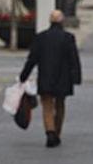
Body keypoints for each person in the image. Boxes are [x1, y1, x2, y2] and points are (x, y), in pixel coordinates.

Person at [19, 10, 82, 148]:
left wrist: (24, 75)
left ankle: (50, 132)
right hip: (63, 78)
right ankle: (57, 132)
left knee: (47, 105)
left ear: (50, 21)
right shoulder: (68, 38)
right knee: (60, 105)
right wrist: (76, 77)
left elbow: (32, 59)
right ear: (62, 21)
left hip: (45, 76)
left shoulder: (40, 38)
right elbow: (74, 59)